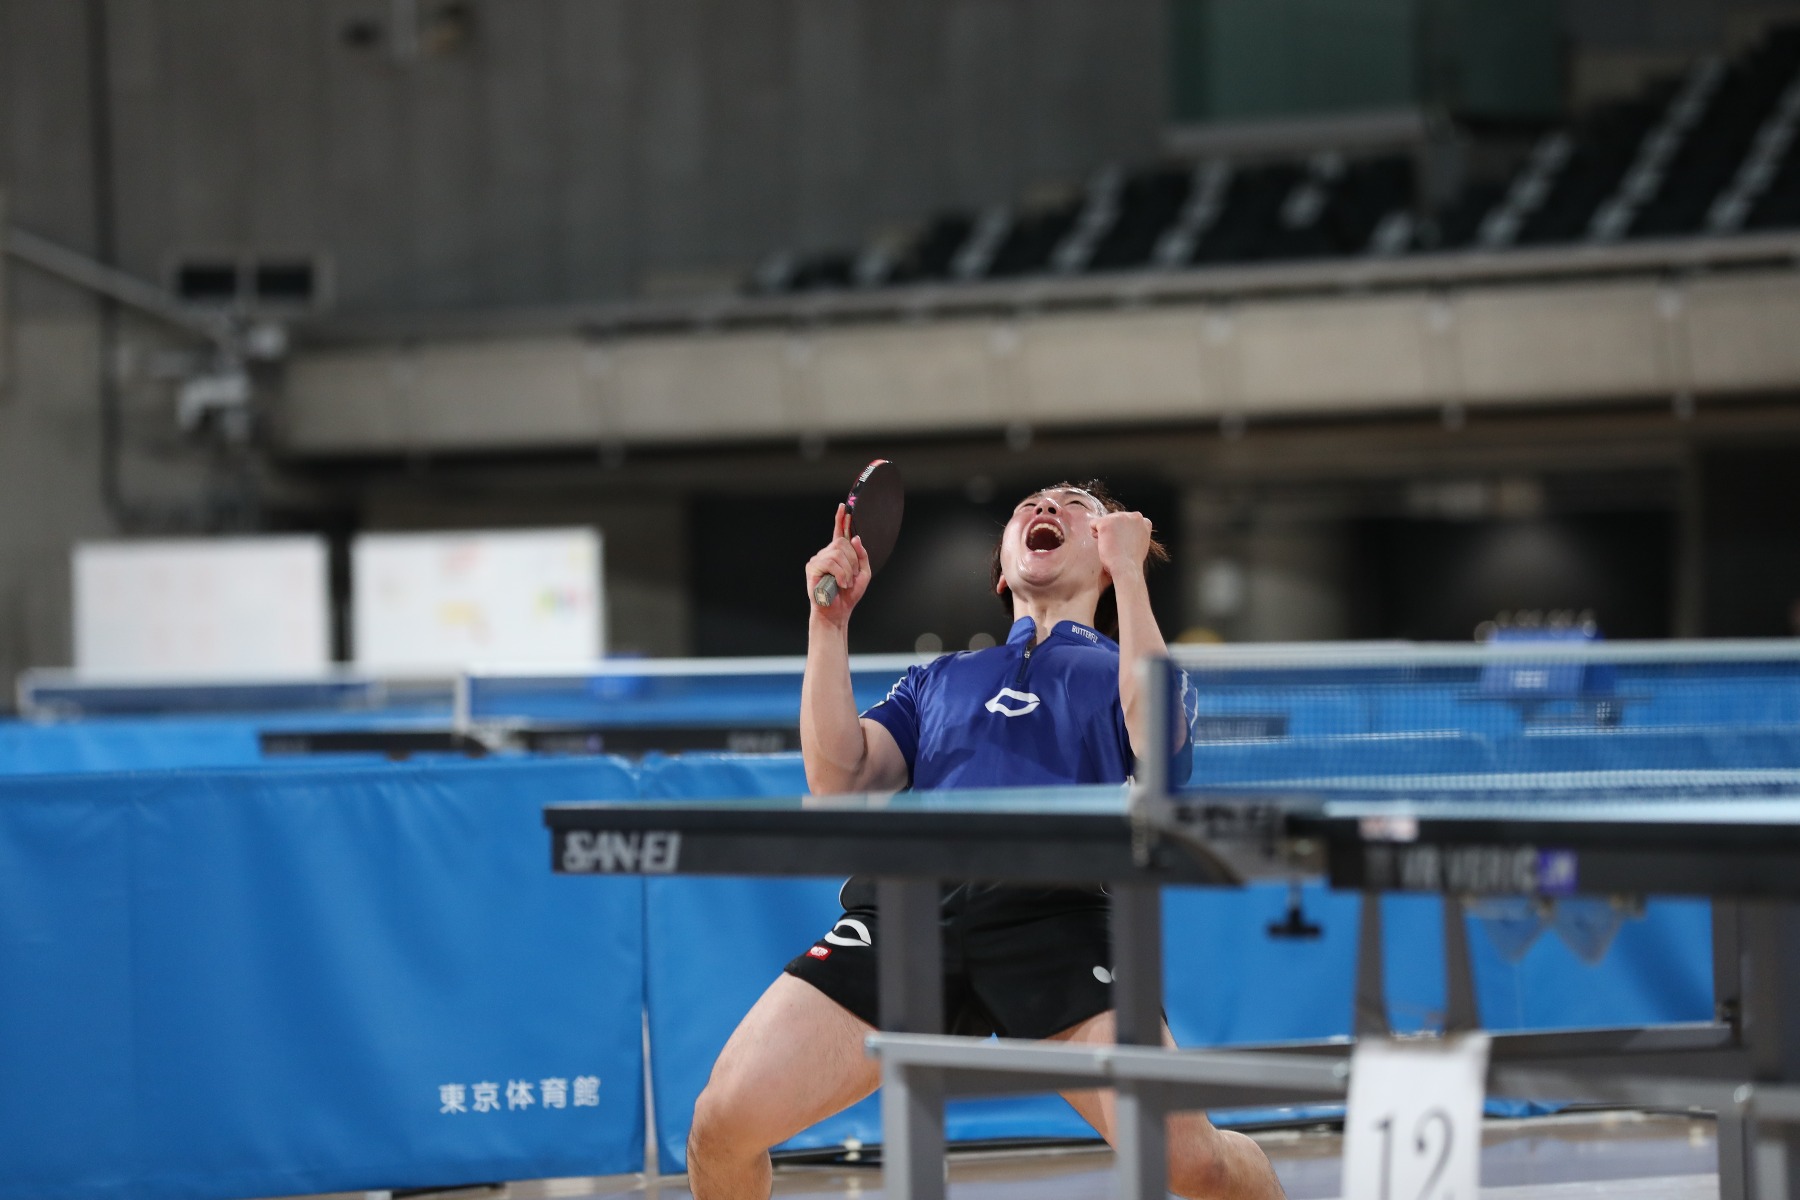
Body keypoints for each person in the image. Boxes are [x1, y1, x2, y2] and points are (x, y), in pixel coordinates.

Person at [685, 481, 1287, 1200]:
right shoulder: (937, 678)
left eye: (1074, 507)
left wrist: (1130, 573)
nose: (1044, 510)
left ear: (1105, 550)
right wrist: (830, 624)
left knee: (1196, 1165)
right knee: (720, 1124)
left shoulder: (1118, 666)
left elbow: (1157, 742)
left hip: (1058, 917)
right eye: (1029, 505)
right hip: (909, 914)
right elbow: (838, 782)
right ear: (1003, 568)